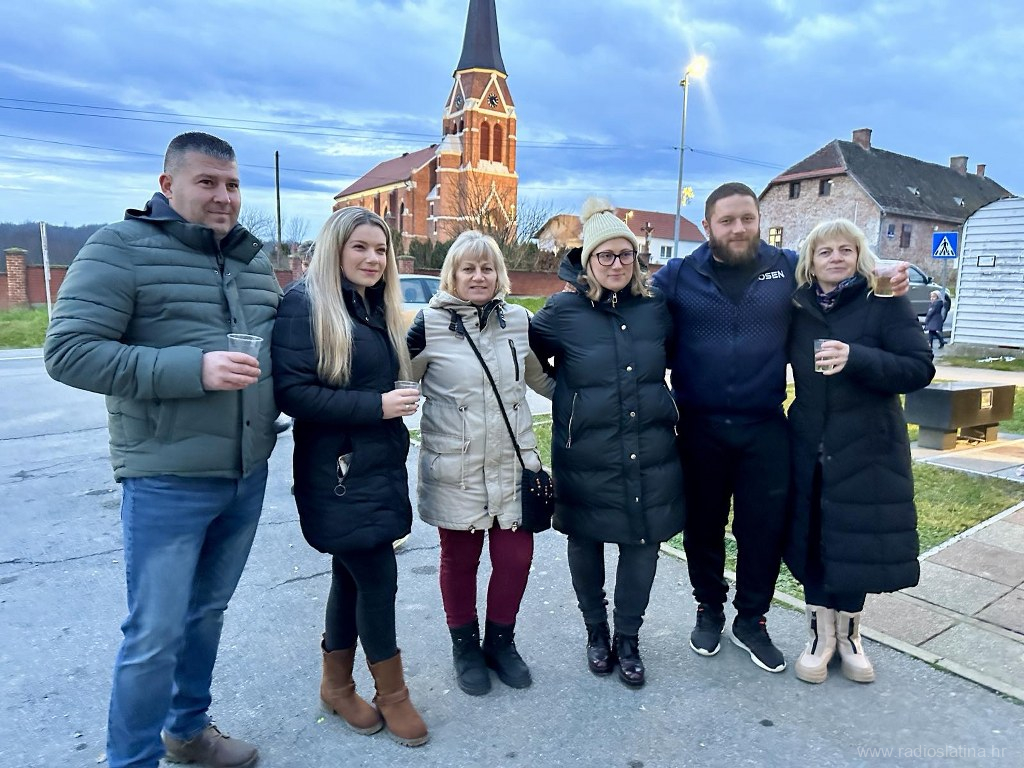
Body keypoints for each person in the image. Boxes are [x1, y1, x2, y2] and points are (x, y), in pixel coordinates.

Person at [44, 132, 280, 768]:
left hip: (246, 471)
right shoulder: (119, 248)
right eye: (207, 182)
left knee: (207, 614)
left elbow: (281, 355)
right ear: (167, 184)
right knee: (154, 632)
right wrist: (192, 369)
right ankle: (132, 760)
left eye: (232, 184)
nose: (224, 196)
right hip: (166, 476)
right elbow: (68, 352)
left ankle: (187, 730)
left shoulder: (251, 260)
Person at [651, 182, 910, 674]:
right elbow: (631, 299)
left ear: (758, 219)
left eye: (747, 218)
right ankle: (709, 609)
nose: (739, 228)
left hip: (764, 428)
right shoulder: (679, 274)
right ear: (707, 226)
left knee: (762, 531)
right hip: (700, 428)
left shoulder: (787, 268)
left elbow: (838, 274)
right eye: (727, 220)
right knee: (702, 527)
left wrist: (884, 277)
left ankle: (752, 619)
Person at [271, 206, 428, 747]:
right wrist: (377, 406)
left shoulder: (371, 305)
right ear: (335, 248)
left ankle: (336, 686)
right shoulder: (306, 303)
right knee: (377, 578)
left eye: (381, 249)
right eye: (360, 247)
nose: (373, 258)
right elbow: (293, 392)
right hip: (335, 467)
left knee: (350, 574)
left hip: (374, 463)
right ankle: (393, 695)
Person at [530, 199, 685, 688]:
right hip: (586, 451)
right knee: (586, 539)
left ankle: (629, 637)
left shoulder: (655, 308)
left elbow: (676, 358)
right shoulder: (561, 311)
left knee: (644, 543)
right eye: (605, 255)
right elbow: (526, 357)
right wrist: (563, 395)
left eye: (625, 255)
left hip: (651, 447)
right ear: (588, 259)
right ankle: (596, 632)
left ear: (636, 259)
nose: (616, 264)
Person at [785, 218, 934, 684]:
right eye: (825, 251)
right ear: (810, 261)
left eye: (845, 250)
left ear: (858, 256)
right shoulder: (797, 306)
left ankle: (849, 637)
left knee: (856, 541)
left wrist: (857, 357)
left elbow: (918, 368)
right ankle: (819, 636)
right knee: (812, 536)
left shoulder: (883, 301)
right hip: (809, 444)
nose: (836, 257)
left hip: (868, 446)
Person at [406, 230, 554, 696]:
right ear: (452, 274)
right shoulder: (427, 325)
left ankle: (501, 643)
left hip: (514, 465)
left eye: (487, 268)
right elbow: (398, 382)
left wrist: (599, 395)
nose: (478, 276)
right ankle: (465, 648)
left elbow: (545, 382)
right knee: (460, 560)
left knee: (516, 559)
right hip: (457, 468)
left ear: (499, 274)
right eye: (468, 268)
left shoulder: (519, 321)